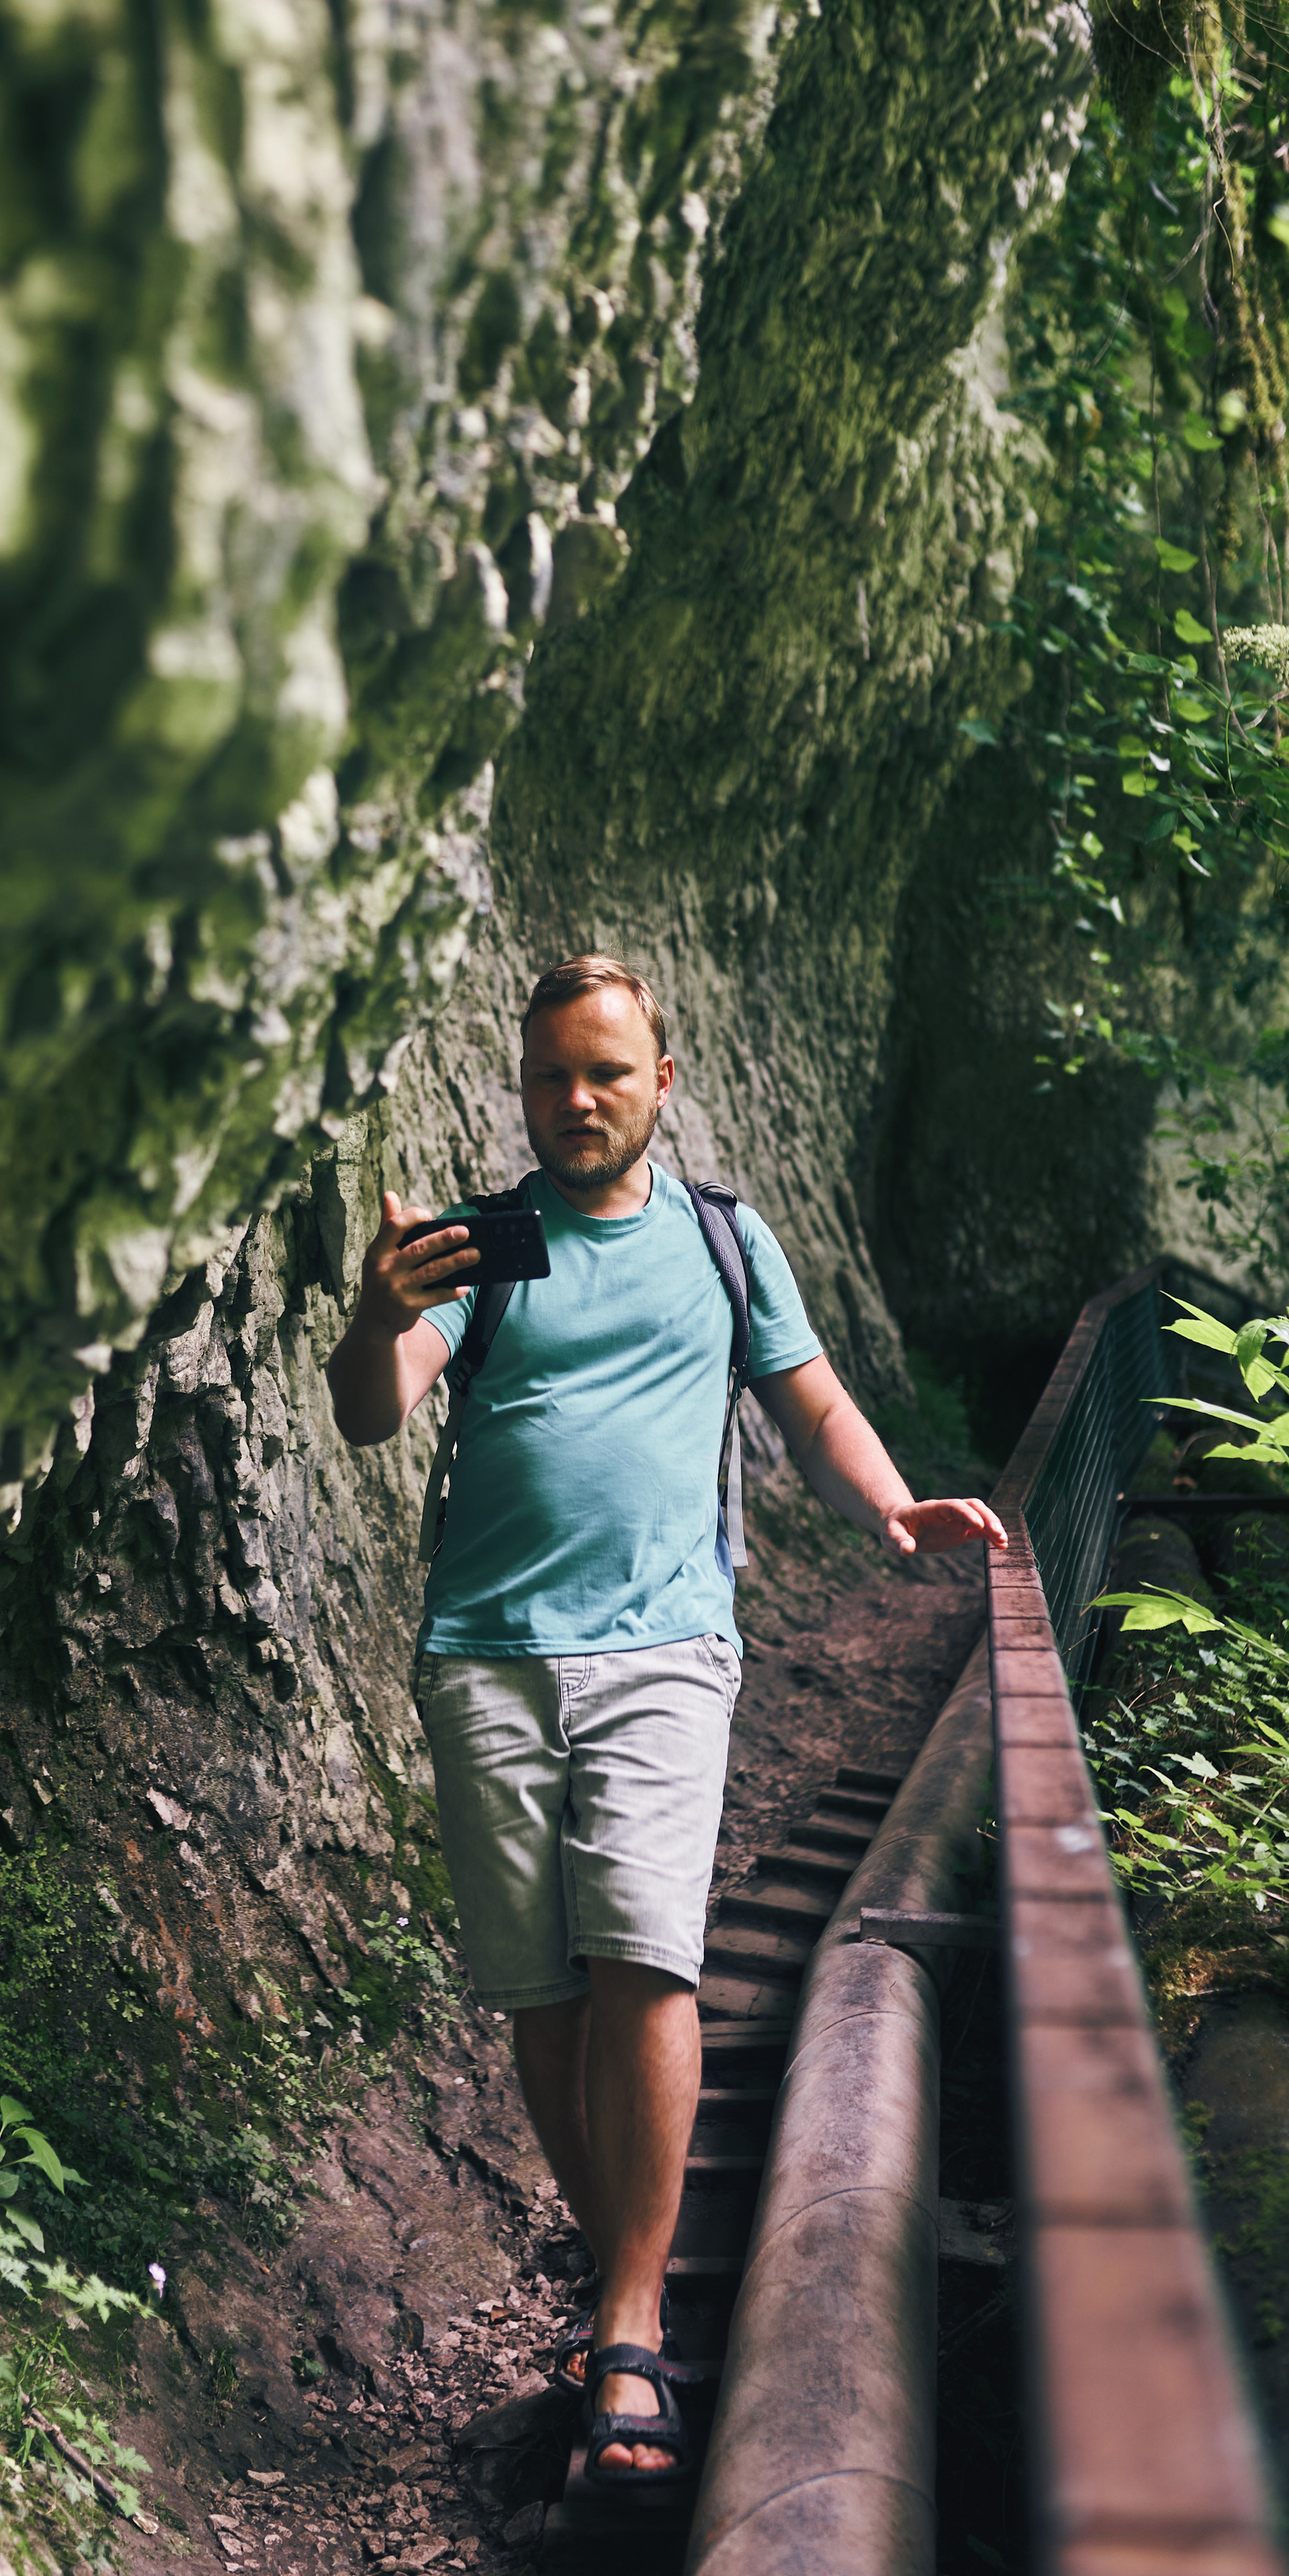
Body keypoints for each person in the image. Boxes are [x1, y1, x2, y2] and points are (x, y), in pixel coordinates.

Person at [325, 955, 1006, 2483]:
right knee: (543, 1999)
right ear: (524, 1089)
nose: (576, 1099)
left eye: (606, 1073)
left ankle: (629, 2323)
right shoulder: (482, 1246)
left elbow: (809, 1400)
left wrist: (893, 1507)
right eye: (551, 1075)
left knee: (644, 1959)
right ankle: (618, 2269)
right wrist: (376, 1315)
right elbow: (372, 1410)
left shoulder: (722, 1238)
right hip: (486, 1660)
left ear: (661, 1084)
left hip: (664, 1652)